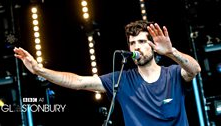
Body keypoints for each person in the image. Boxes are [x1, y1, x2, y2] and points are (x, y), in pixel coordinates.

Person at [13, 20, 201, 126]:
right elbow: (78, 82)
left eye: (142, 42)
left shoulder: (173, 73)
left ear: (153, 46)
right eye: (132, 43)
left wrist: (171, 52)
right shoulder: (122, 78)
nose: (136, 47)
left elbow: (195, 69)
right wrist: (40, 70)